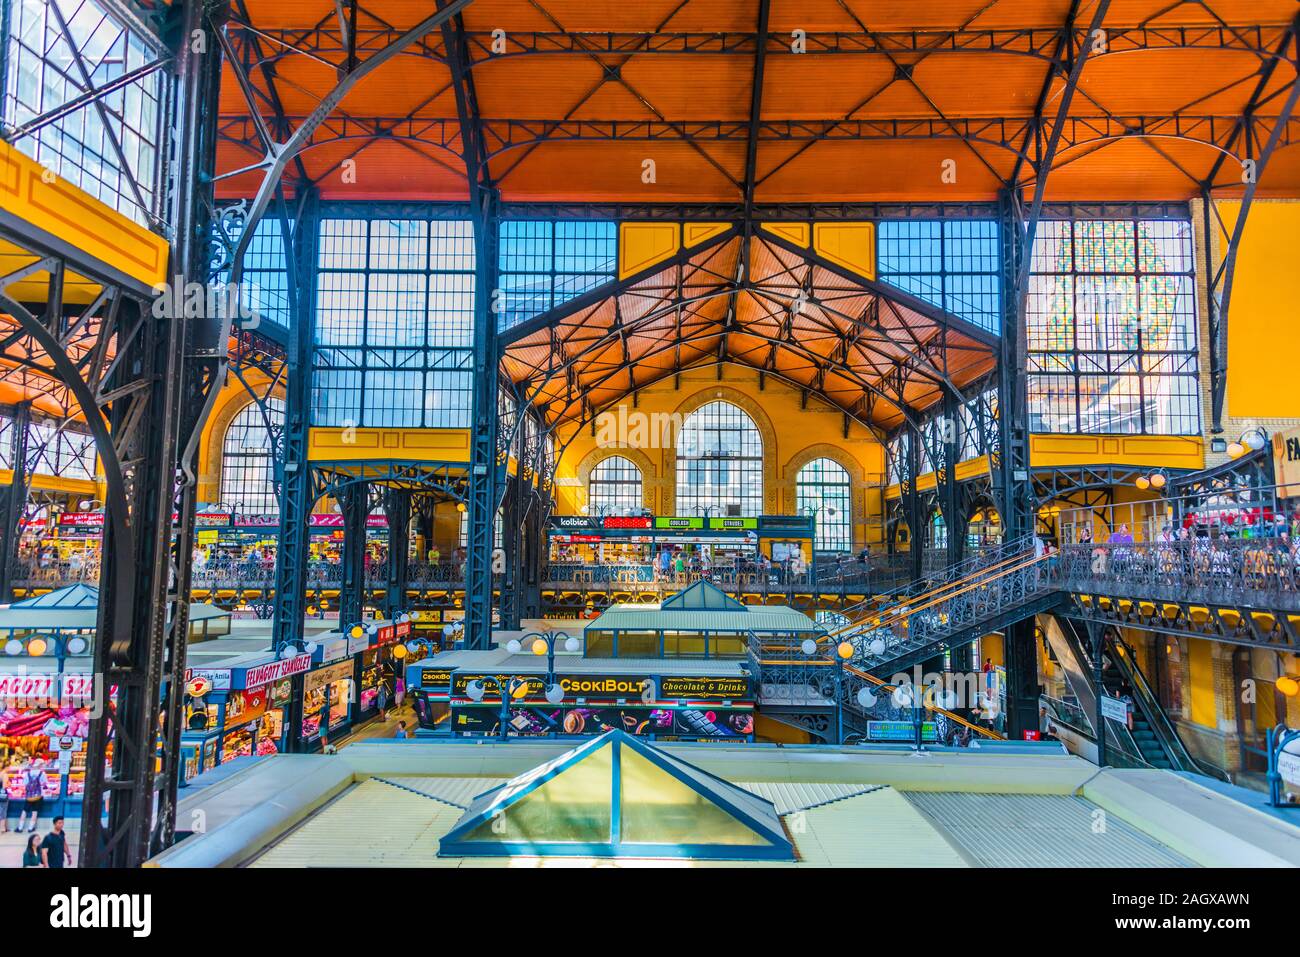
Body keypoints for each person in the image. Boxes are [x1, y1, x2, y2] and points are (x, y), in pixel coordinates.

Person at [16, 760, 46, 834]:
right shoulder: (42, 773)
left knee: (24, 811)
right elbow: (44, 784)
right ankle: (30, 828)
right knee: (34, 812)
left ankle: (20, 828)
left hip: (29, 796)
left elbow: (24, 784)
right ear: (40, 765)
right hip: (38, 796)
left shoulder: (28, 773)